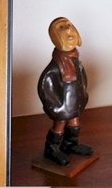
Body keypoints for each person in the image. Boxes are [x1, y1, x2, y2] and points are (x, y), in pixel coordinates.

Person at [37, 16, 94, 166]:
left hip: (74, 103)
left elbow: (82, 79)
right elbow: (45, 86)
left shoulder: (75, 61)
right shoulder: (55, 67)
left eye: (69, 25)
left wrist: (84, 94)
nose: (68, 29)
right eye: (61, 27)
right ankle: (51, 149)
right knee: (60, 124)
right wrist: (54, 106)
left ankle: (70, 144)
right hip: (62, 106)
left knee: (75, 122)